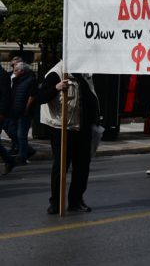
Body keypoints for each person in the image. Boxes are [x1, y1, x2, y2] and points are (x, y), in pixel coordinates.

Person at [40, 61, 100, 213]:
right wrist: (56, 88)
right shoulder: (56, 73)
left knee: (82, 166)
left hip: (83, 128)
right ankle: (55, 203)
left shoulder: (84, 73)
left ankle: (75, 200)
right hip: (63, 128)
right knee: (61, 167)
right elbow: (40, 96)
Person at [10, 62, 38, 164]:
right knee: (12, 131)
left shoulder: (31, 81)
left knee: (21, 135)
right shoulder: (16, 80)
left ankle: (22, 157)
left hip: (23, 113)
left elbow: (32, 96)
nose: (14, 72)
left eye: (16, 70)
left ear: (22, 71)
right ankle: (29, 150)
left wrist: (26, 109)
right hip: (14, 112)